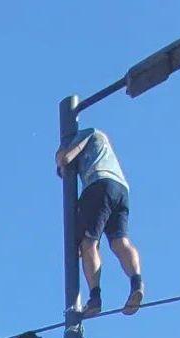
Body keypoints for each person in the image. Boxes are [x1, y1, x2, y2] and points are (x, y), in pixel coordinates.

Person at [56, 123, 144, 316]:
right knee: (120, 241)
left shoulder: (87, 134)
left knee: (89, 244)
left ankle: (94, 298)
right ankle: (136, 283)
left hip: (98, 184)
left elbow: (66, 157)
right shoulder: (102, 145)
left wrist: (61, 161)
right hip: (120, 189)